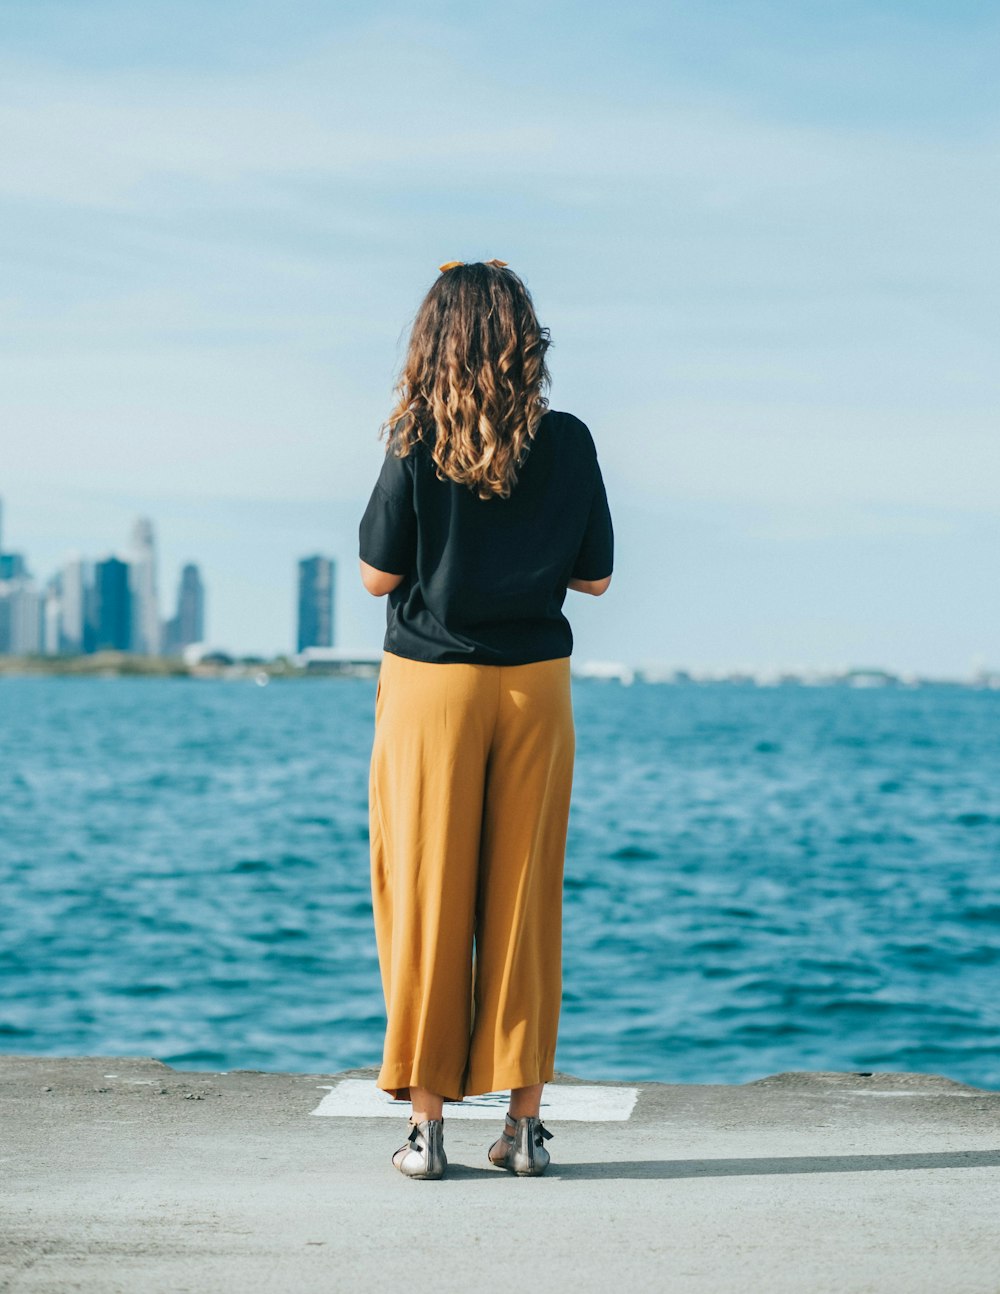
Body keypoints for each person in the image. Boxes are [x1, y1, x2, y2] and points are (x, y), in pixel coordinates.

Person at [358, 258, 613, 1180]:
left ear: (434, 339)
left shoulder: (415, 434)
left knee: (427, 898)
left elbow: (379, 574)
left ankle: (427, 1135)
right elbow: (595, 576)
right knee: (524, 901)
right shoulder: (570, 439)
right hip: (535, 683)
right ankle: (525, 1131)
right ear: (524, 338)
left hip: (434, 686)